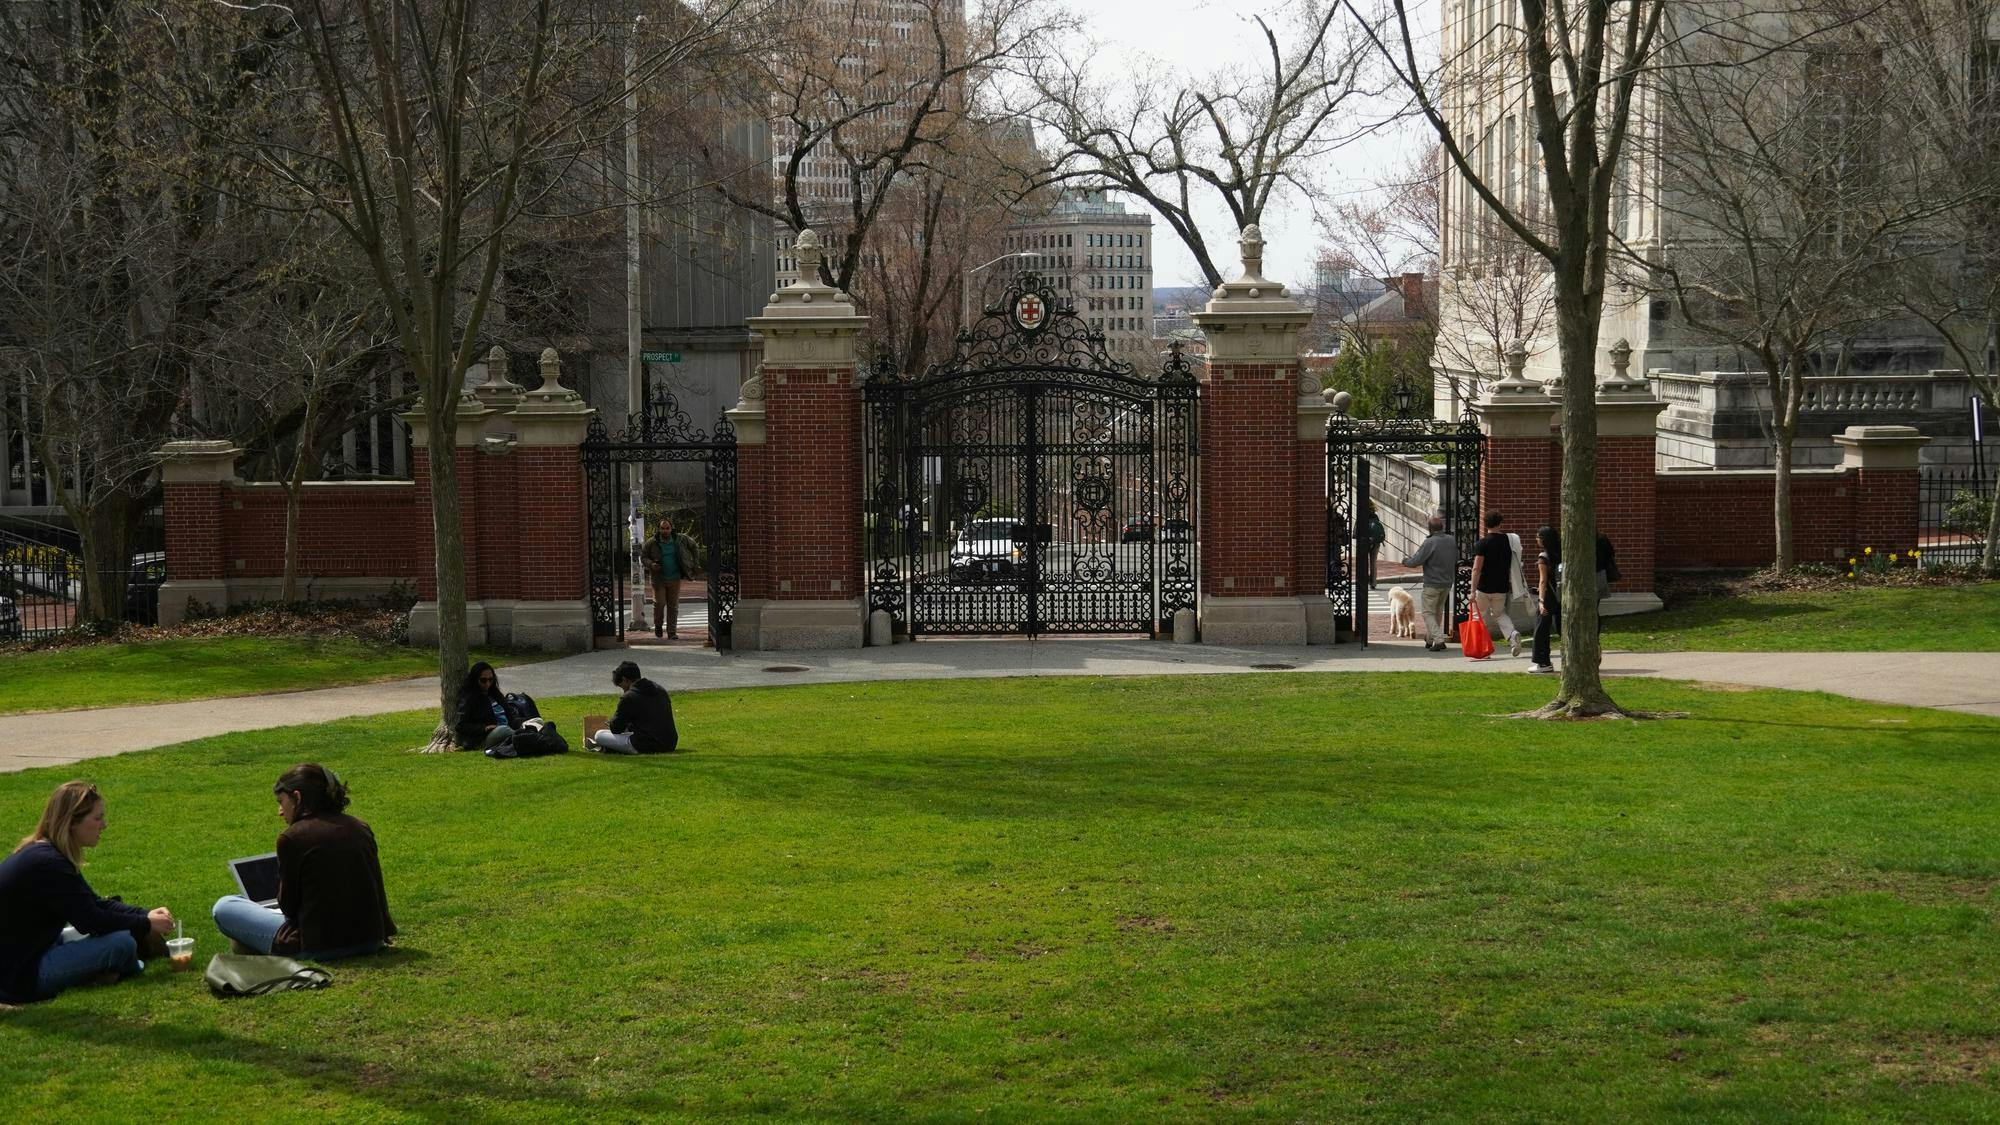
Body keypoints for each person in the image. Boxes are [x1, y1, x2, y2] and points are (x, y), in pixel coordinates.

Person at [0, 782, 175, 1003]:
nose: (104, 825)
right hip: (21, 975)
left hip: (37, 947)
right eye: (98, 818)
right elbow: (92, 921)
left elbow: (94, 903)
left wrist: (145, 915)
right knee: (122, 943)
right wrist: (146, 924)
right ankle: (116, 968)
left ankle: (103, 970)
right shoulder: (49, 863)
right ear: (72, 822)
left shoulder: (46, 852)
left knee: (123, 931)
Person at [212, 764, 395, 961]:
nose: (280, 812)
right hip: (370, 939)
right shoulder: (360, 826)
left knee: (226, 906)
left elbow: (289, 908)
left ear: (297, 797)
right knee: (243, 905)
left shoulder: (293, 838)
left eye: (282, 801)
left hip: (318, 945)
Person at [589, 660, 679, 755]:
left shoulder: (629, 697)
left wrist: (612, 723)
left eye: (622, 687)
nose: (624, 691)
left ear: (625, 680)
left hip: (645, 744)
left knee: (599, 735)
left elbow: (616, 728)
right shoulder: (661, 690)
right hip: (669, 743)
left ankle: (612, 748)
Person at [1469, 511, 1524, 658]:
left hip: (1484, 587)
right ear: (1500, 523)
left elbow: (1476, 568)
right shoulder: (1508, 541)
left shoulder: (1482, 543)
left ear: (1485, 524)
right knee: (1499, 614)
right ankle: (1512, 635)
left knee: (1478, 616)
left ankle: (1483, 649)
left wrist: (1472, 590)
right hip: (1501, 586)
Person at [1400, 514, 1458, 652]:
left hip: (1432, 583)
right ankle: (1430, 639)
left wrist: (1405, 561)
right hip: (1447, 582)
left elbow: (1416, 561)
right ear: (1442, 527)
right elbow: (1455, 557)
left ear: (1430, 529)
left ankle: (1438, 639)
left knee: (1427, 613)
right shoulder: (1451, 540)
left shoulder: (1430, 542)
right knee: (1437, 612)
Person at [641, 517, 699, 639]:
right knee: (660, 604)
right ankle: (658, 626)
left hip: (674, 578)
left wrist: (694, 563)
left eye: (667, 528)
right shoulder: (652, 542)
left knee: (673, 606)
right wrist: (651, 564)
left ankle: (672, 632)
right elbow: (644, 557)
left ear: (671, 528)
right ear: (659, 529)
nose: (665, 531)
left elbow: (694, 546)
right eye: (662, 528)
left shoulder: (680, 539)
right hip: (659, 579)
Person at [453, 662, 522, 753]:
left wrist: (521, 722)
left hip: (506, 729)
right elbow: (460, 726)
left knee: (535, 721)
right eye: (483, 680)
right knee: (503, 730)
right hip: (483, 738)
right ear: (475, 680)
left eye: (491, 680)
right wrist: (484, 728)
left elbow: (509, 714)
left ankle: (524, 736)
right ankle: (524, 738)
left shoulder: (495, 694)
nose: (488, 684)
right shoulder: (468, 698)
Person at [1528, 526, 1561, 674]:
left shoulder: (1543, 557)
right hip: (1561, 596)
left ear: (1544, 540)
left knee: (1541, 630)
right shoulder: (1561, 553)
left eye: (1538, 537)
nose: (1536, 539)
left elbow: (1543, 581)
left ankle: (1543, 662)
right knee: (1562, 629)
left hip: (1548, 597)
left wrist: (1541, 601)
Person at [1362, 501, 1387, 589]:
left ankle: (1363, 581)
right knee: (1373, 562)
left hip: (1365, 541)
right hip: (1376, 542)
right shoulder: (1375, 516)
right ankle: (1373, 582)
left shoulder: (1362, 514)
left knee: (1363, 562)